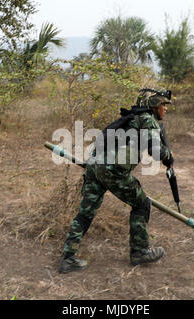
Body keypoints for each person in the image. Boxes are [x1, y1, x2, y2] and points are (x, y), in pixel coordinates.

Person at [59, 88, 174, 273]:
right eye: (163, 104)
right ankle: (140, 251)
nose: (165, 109)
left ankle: (67, 258)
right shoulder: (147, 120)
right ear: (153, 106)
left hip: (93, 166)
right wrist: (169, 156)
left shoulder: (129, 119)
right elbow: (156, 151)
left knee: (85, 213)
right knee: (141, 204)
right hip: (113, 171)